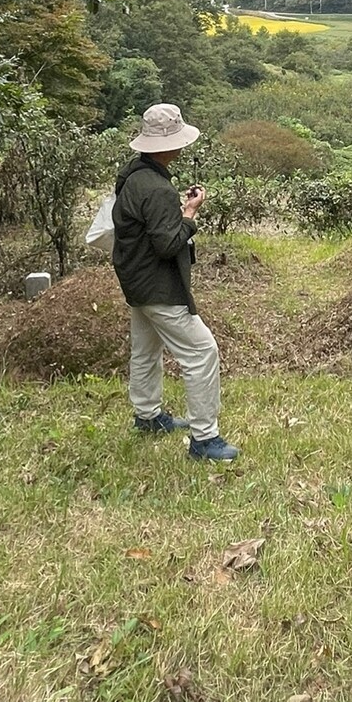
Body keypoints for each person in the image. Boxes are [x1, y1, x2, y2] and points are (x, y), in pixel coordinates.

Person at [111, 103, 239, 462]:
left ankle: (148, 415)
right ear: (169, 144)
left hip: (134, 278)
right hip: (158, 285)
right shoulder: (158, 189)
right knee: (202, 352)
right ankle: (204, 439)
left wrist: (174, 212)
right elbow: (167, 244)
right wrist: (189, 213)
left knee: (146, 349)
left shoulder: (133, 174)